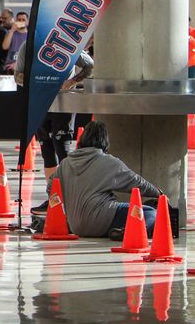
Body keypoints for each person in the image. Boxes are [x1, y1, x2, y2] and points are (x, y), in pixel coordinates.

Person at [15, 40, 95, 214]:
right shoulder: (28, 45)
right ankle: (54, 196)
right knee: (47, 150)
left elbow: (89, 66)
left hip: (62, 101)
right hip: (39, 102)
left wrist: (72, 81)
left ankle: (71, 196)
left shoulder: (66, 43)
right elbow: (17, 75)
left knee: (63, 148)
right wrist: (33, 82)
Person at [50, 121, 162, 238]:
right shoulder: (108, 162)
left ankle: (122, 230)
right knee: (150, 213)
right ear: (105, 140)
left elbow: (51, 189)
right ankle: (127, 231)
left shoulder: (65, 163)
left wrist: (67, 209)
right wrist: (157, 193)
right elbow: (136, 182)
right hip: (102, 221)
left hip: (75, 226)